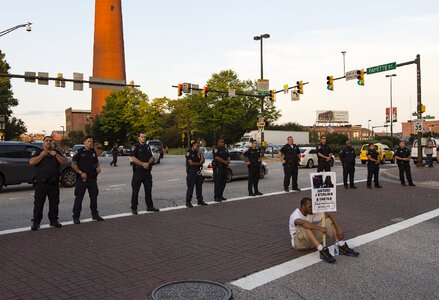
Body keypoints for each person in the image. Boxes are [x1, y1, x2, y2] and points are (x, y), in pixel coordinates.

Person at [289, 197, 359, 263]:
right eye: (310, 207)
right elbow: (303, 223)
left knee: (328, 220)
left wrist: (339, 229)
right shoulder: (295, 215)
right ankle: (322, 251)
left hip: (311, 242)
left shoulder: (310, 212)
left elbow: (330, 215)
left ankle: (340, 246)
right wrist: (320, 228)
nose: (312, 209)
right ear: (303, 206)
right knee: (306, 226)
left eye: (313, 206)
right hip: (299, 244)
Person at [29, 136, 67, 230]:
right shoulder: (38, 152)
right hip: (41, 183)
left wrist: (56, 155)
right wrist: (42, 155)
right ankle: (36, 222)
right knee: (38, 204)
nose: (49, 142)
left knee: (54, 203)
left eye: (50, 141)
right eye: (47, 141)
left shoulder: (56, 152)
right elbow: (31, 162)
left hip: (53, 183)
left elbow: (64, 161)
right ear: (43, 143)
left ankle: (53, 221)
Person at [71, 136, 104, 224]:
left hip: (92, 178)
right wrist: (80, 172)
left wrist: (98, 168)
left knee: (94, 197)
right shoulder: (80, 152)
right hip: (82, 179)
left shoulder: (93, 152)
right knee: (79, 198)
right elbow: (73, 164)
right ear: (84, 142)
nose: (90, 143)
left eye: (91, 141)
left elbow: (96, 162)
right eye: (88, 141)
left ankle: (95, 215)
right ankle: (76, 216)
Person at [130, 132, 159, 214]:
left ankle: (150, 207)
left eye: (144, 137)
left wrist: (149, 163)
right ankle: (134, 208)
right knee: (135, 190)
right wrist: (143, 164)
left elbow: (151, 157)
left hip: (147, 171)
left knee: (148, 189)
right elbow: (133, 158)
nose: (143, 138)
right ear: (138, 138)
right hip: (138, 171)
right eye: (142, 137)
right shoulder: (135, 146)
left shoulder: (147, 147)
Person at [185, 141, 208, 207]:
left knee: (199, 187)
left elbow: (203, 161)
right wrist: (199, 164)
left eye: (199, 146)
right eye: (197, 146)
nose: (198, 147)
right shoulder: (189, 152)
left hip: (198, 171)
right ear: (193, 145)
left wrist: (201, 153)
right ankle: (188, 202)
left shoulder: (198, 152)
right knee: (191, 187)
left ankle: (200, 200)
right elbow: (191, 163)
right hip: (191, 171)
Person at [212, 137, 230, 202]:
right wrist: (224, 161)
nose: (222, 143)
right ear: (218, 142)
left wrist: (228, 161)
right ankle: (216, 197)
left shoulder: (225, 149)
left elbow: (228, 155)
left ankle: (220, 195)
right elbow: (216, 157)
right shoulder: (216, 149)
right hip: (218, 168)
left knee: (223, 182)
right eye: (221, 142)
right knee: (218, 183)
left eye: (223, 142)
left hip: (224, 168)